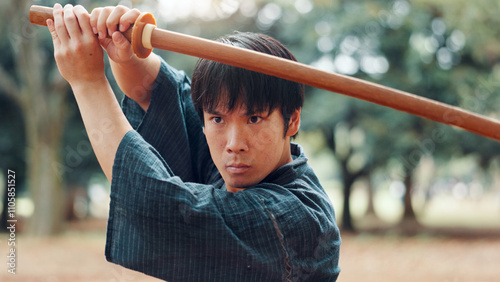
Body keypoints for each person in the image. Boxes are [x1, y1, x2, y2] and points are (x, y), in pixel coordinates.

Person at [47, 3, 341, 281]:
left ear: (292, 121)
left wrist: (88, 82)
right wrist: (125, 52)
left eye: (254, 119)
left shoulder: (297, 218)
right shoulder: (242, 167)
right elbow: (161, 94)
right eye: (217, 119)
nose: (234, 144)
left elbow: (157, 207)